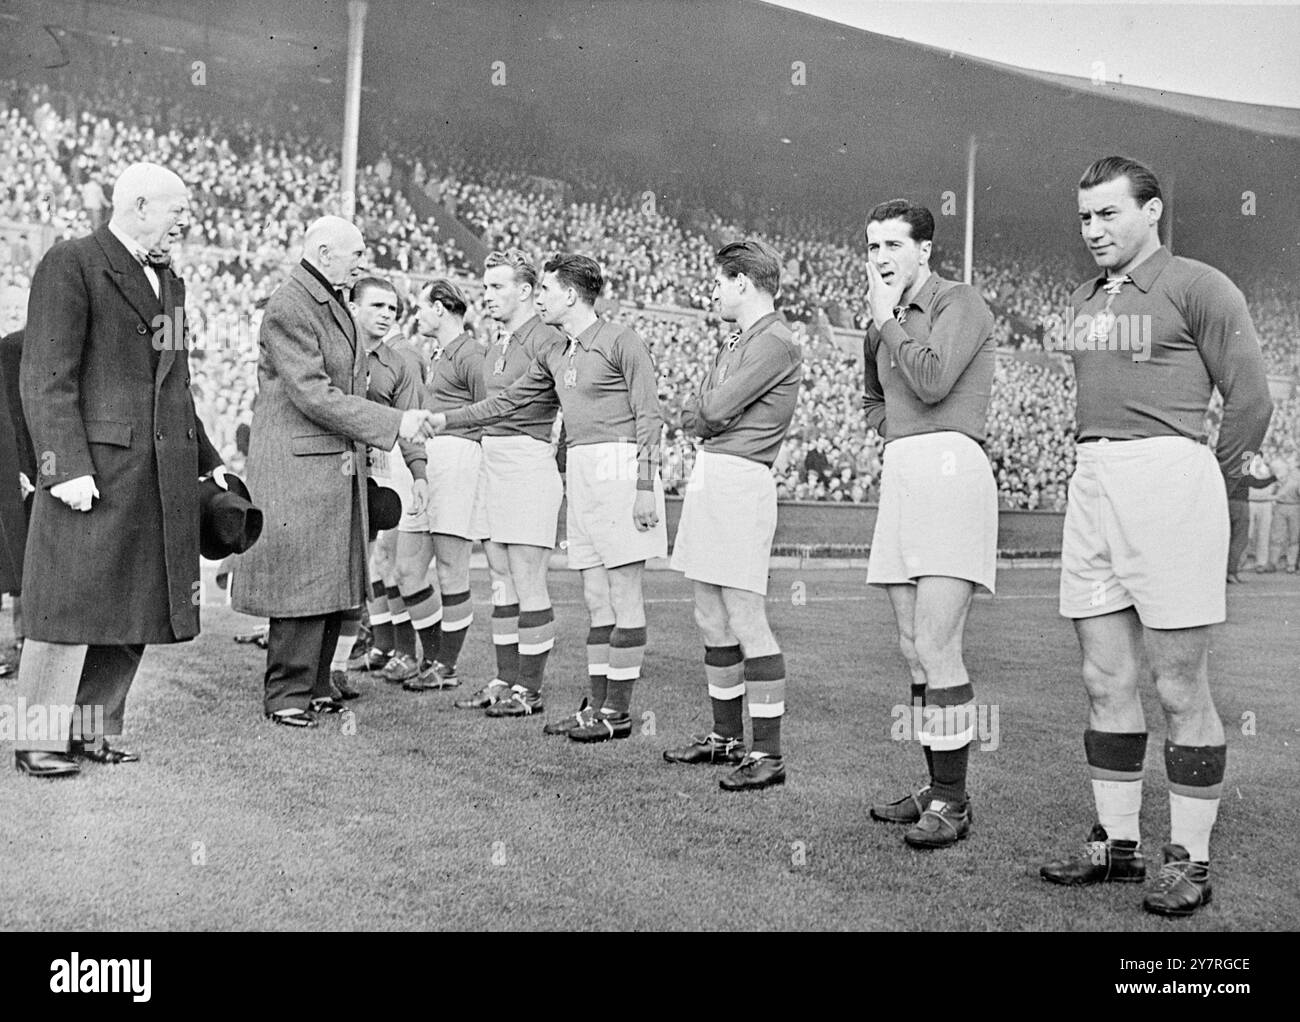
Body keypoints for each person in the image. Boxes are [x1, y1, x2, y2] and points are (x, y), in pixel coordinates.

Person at [1039, 156, 1272, 917]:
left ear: (1153, 212)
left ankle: (1190, 859)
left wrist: (1207, 472)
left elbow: (1251, 397)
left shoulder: (1199, 285)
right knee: (1104, 678)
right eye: (1084, 217)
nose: (1093, 230)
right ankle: (1117, 843)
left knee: (1178, 684)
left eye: (1108, 214)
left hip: (1169, 479)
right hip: (1093, 481)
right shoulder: (1082, 298)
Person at [13, 162, 224, 777]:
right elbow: (47, 377)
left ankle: (92, 729)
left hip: (155, 474)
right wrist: (64, 467)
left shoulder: (171, 284)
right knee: (65, 605)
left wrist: (210, 465)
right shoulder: (71, 262)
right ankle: (38, 739)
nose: (185, 221)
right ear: (136, 205)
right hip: (91, 472)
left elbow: (177, 389)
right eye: (176, 210)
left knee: (130, 604)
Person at [432, 255, 667, 744]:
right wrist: (445, 420)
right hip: (581, 466)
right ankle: (599, 708)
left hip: (620, 467)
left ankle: (616, 713)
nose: (538, 297)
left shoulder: (621, 339)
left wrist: (645, 486)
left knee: (624, 596)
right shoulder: (559, 352)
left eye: (546, 289)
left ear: (571, 296)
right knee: (596, 598)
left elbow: (649, 416)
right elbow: (508, 401)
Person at [231, 216, 436, 728]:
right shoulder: (291, 304)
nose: (361, 261)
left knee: (329, 577)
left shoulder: (324, 300)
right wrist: (392, 421)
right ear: (324, 253)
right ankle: (286, 695)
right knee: (300, 580)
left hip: (328, 461)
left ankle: (316, 684)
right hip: (301, 462)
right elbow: (313, 393)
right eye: (355, 253)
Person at [859, 199, 998, 850]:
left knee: (940, 643)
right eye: (871, 246)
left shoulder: (958, 302)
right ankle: (932, 785)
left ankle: (953, 800)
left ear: (925, 251)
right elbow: (873, 398)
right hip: (905, 470)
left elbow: (936, 379)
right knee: (913, 644)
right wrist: (895, 432)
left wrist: (887, 321)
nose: (880, 258)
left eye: (892, 245)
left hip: (951, 467)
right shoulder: (876, 324)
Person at [664, 240, 802, 791]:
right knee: (709, 615)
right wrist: (704, 412)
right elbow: (705, 406)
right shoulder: (738, 338)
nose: (714, 291)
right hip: (714, 471)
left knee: (746, 617)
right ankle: (725, 737)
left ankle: (767, 753)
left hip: (742, 477)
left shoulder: (776, 341)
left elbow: (712, 408)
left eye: (720, 282)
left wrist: (704, 413)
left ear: (743, 282)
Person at [457, 249, 566, 718]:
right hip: (492, 459)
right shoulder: (498, 342)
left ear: (525, 291)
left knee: (527, 577)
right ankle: (505, 679)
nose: (488, 297)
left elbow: (574, 397)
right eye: (485, 288)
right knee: (499, 576)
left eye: (497, 287)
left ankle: (531, 690)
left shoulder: (546, 339)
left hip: (527, 460)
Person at [389, 279, 488, 692]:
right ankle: (431, 656)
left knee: (451, 569)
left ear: (442, 308)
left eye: (422, 308)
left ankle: (445, 666)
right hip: (429, 459)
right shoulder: (438, 353)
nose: (417, 316)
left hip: (459, 457)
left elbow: (489, 411)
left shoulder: (472, 353)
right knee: (408, 569)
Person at [337, 276, 429, 700]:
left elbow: (411, 426)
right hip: (331, 465)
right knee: (335, 565)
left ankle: (343, 665)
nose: (386, 315)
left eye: (392, 309)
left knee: (365, 565)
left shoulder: (401, 363)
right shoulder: (335, 350)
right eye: (376, 306)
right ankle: (320, 664)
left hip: (380, 469)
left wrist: (420, 473)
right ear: (352, 307)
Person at [1267, 460, 1299, 573]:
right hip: (1280, 507)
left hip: (1295, 507)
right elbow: (1269, 494)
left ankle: (1291, 564)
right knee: (1276, 536)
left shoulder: (1295, 480)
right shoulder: (1275, 481)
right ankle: (1272, 562)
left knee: (1294, 537)